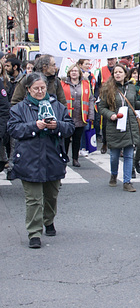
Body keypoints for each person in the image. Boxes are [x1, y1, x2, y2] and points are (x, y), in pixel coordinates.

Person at [8, 72, 74, 248]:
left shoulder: (57, 106)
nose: (39, 91)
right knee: (34, 199)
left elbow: (69, 127)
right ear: (28, 89)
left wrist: (57, 126)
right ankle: (34, 233)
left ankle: (48, 220)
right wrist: (34, 126)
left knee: (51, 195)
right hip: (29, 159)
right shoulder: (19, 108)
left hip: (53, 157)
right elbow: (13, 130)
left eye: (42, 88)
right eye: (36, 88)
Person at [99, 64, 140, 192]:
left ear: (125, 74)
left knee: (128, 154)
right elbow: (101, 107)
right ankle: (114, 174)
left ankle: (127, 182)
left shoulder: (131, 88)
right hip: (114, 125)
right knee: (114, 155)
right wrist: (111, 115)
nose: (117, 74)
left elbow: (134, 104)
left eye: (120, 72)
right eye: (115, 72)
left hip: (129, 125)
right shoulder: (107, 88)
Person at [60, 63, 94, 168]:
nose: (74, 73)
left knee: (77, 139)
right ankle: (64, 157)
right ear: (69, 73)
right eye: (72, 71)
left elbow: (90, 99)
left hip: (80, 116)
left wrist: (91, 115)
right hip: (67, 117)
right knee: (65, 139)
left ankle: (75, 159)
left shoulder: (85, 84)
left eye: (76, 71)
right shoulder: (62, 84)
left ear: (79, 73)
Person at [127, 66, 140, 177]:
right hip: (130, 117)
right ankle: (130, 167)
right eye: (134, 73)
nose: (136, 76)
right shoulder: (127, 87)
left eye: (138, 74)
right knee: (131, 144)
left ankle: (136, 162)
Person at [96, 57, 117, 154]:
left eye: (112, 59)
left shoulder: (120, 69)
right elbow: (98, 85)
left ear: (116, 59)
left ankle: (119, 146)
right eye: (108, 59)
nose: (110, 61)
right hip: (106, 99)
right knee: (105, 124)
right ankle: (105, 142)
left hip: (117, 100)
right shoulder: (102, 70)